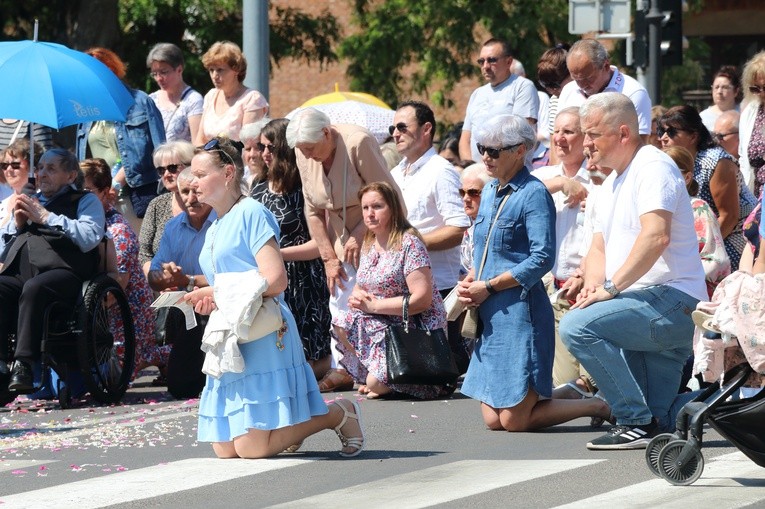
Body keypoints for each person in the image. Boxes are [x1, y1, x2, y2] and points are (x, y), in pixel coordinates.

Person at [183, 137, 365, 459]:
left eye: (199, 174)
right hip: (232, 333)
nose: (192, 182)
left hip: (263, 331)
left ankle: (338, 414)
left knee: (251, 448)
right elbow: (228, 285)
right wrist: (206, 298)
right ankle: (284, 432)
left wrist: (216, 292)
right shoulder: (214, 226)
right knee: (225, 449)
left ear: (227, 173)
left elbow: (276, 279)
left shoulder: (252, 212)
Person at [559, 93, 707, 450]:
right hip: (641, 307)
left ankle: (630, 418)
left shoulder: (653, 166)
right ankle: (725, 401)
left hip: (673, 301)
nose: (585, 142)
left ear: (623, 133)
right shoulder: (606, 185)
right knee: (661, 421)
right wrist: (592, 290)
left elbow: (656, 236)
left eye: (592, 134)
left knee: (575, 327)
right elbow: (598, 249)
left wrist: (609, 290)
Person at [456, 114, 610, 432]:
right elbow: (486, 250)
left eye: (495, 150)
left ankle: (599, 406)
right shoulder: (487, 193)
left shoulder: (534, 193)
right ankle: (575, 393)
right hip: (489, 310)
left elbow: (542, 258)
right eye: (483, 148)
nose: (486, 155)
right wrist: (472, 278)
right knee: (493, 420)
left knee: (514, 421)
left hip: (520, 311)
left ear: (520, 150)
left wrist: (491, 285)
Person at [286, 107, 404, 393]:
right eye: (302, 149)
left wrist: (361, 232)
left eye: (311, 147)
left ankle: (385, 368)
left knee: (372, 305)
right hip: (339, 241)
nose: (308, 154)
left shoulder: (357, 143)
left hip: (378, 235)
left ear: (326, 133)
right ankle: (347, 368)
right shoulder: (304, 151)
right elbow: (312, 210)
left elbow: (389, 197)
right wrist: (327, 257)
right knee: (339, 306)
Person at [334, 181, 452, 399]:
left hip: (412, 325)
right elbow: (363, 284)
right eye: (365, 208)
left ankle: (389, 379)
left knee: (375, 384)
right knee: (341, 321)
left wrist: (375, 305)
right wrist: (357, 295)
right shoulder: (370, 243)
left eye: (377, 207)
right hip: (381, 321)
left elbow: (422, 300)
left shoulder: (409, 243)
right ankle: (381, 375)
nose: (369, 214)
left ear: (393, 208)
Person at [0, 148, 105, 392]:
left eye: (51, 168)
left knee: (34, 288)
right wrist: (16, 225)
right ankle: (1, 363)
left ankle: (24, 364)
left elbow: (90, 237)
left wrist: (46, 217)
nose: (42, 173)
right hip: (22, 270)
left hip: (64, 271)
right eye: (40, 168)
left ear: (70, 176)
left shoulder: (85, 200)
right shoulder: (28, 201)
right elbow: (2, 250)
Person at [390, 101, 472, 373]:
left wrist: (411, 244)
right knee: (411, 369)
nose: (396, 133)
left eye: (403, 127)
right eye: (393, 128)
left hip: (437, 286)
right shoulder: (394, 174)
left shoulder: (441, 171)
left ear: (426, 129)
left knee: (443, 367)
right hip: (403, 284)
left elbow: (458, 228)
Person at [250, 119, 332, 380]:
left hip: (303, 278)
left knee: (307, 352)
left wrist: (276, 255)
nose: (264, 154)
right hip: (267, 277)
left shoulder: (303, 189)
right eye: (261, 146)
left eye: (271, 148)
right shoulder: (258, 187)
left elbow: (320, 245)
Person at [80, 158, 167, 380]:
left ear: (103, 192)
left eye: (86, 190)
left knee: (113, 377)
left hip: (126, 315)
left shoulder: (118, 231)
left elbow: (113, 293)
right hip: (97, 318)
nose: (80, 195)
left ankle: (171, 353)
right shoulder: (78, 223)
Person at [531, 107, 594, 389]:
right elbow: (517, 199)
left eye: (568, 132)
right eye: (556, 131)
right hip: (554, 288)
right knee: (566, 382)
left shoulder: (599, 177)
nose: (559, 138)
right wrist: (561, 183)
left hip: (590, 286)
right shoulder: (543, 177)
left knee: (593, 376)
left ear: (585, 137)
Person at [75, 47, 165, 232]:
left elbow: (158, 151)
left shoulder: (141, 102)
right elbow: (82, 159)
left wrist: (115, 184)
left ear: (112, 70)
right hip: (96, 197)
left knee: (138, 253)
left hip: (135, 196)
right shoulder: (85, 109)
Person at [658, 104, 757, 270]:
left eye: (672, 132)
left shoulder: (716, 161)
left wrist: (698, 254)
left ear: (693, 136)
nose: (663, 137)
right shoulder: (666, 161)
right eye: (662, 131)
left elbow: (729, 216)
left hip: (736, 237)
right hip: (702, 237)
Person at [148, 168, 215, 398]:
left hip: (224, 301)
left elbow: (235, 274)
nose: (190, 198)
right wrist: (165, 276)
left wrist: (188, 280)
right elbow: (154, 276)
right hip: (190, 309)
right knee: (180, 387)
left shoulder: (225, 222)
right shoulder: (173, 227)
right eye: (184, 192)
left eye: (196, 191)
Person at [663, 146, 731, 298]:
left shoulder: (698, 209)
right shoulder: (650, 211)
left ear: (687, 178)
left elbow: (716, 261)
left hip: (688, 294)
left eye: (667, 173)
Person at [459, 38, 539, 161]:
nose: (485, 66)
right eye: (481, 61)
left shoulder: (522, 87)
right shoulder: (477, 94)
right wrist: (469, 166)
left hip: (510, 175)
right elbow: (465, 138)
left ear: (509, 62)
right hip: (476, 173)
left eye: (492, 60)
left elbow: (520, 135)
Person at [559, 39, 652, 142]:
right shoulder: (568, 90)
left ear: (606, 66)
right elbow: (556, 140)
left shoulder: (633, 93)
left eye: (588, 78)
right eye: (576, 79)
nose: (582, 85)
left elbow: (639, 141)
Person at [195, 41, 269, 145]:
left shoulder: (252, 99)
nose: (214, 76)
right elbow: (200, 139)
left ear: (236, 70)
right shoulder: (210, 96)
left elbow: (249, 145)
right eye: (211, 70)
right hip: (209, 159)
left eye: (220, 70)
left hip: (238, 160)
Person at [139, 141, 195, 276]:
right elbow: (144, 253)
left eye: (172, 168)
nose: (166, 174)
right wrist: (157, 278)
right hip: (167, 288)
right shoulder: (157, 205)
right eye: (161, 170)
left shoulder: (205, 203)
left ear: (191, 166)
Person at [146, 43, 204, 143]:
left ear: (179, 70)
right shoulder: (151, 99)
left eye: (164, 72)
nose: (158, 79)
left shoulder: (193, 100)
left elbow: (197, 145)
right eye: (154, 74)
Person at [537, 44, 573, 166]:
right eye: (544, 85)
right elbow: (554, 144)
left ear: (571, 74)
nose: (551, 90)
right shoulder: (554, 100)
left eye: (555, 85)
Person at [739, 51, 765, 196]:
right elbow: (743, 156)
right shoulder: (750, 111)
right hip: (755, 192)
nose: (761, 93)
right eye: (755, 88)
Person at [0, 139, 43, 224]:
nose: (8, 169)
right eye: (4, 165)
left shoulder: (42, 199)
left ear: (33, 167)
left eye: (15, 164)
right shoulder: (3, 203)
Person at [459, 162, 491, 276]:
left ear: (491, 191)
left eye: (473, 193)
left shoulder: (497, 228)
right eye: (462, 192)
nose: (466, 198)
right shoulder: (470, 231)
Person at [699, 65, 741, 132]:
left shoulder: (744, 113)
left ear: (736, 91)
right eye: (716, 87)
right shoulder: (703, 118)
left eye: (725, 87)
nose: (719, 92)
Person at [240, 117, 271, 187]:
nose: (252, 155)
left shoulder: (276, 182)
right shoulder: (242, 177)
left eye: (258, 148)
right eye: (248, 149)